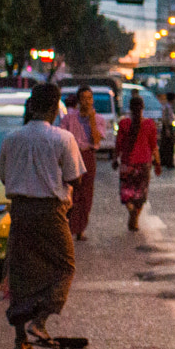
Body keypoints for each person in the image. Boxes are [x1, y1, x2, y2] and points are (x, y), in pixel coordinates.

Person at [0, 84, 86, 349]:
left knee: (22, 273)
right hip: (50, 211)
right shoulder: (62, 138)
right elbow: (74, 178)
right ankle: (39, 320)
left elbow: (2, 175)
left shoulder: (12, 138)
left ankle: (20, 339)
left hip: (20, 211)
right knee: (64, 266)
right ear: (54, 107)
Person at [58, 88, 103, 240]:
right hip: (72, 157)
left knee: (86, 193)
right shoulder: (68, 119)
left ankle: (80, 228)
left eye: (89, 98)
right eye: (83, 98)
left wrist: (91, 120)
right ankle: (70, 226)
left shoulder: (98, 119)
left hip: (88, 155)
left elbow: (96, 141)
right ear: (78, 100)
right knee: (72, 191)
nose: (87, 101)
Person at [113, 91, 157, 232]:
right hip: (144, 164)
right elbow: (153, 146)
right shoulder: (150, 124)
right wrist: (158, 163)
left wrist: (115, 159)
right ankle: (135, 220)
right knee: (140, 193)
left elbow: (118, 145)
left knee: (127, 192)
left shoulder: (124, 124)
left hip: (127, 163)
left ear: (129, 108)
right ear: (143, 108)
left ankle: (131, 209)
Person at [156, 95, 175, 170]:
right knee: (169, 146)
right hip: (168, 127)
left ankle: (165, 161)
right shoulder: (167, 107)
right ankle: (169, 162)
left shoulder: (168, 107)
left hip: (168, 127)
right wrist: (167, 129)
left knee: (165, 145)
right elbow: (165, 119)